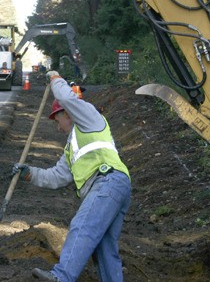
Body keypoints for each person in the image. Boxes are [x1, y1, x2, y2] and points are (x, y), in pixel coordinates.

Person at [12, 71, 131, 282]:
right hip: (116, 187)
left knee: (82, 226)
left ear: (68, 114)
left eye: (58, 121)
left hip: (107, 182)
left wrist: (55, 78)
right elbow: (57, 176)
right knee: (104, 249)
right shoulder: (72, 145)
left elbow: (66, 98)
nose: (58, 128)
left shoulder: (88, 117)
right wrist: (30, 173)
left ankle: (62, 276)